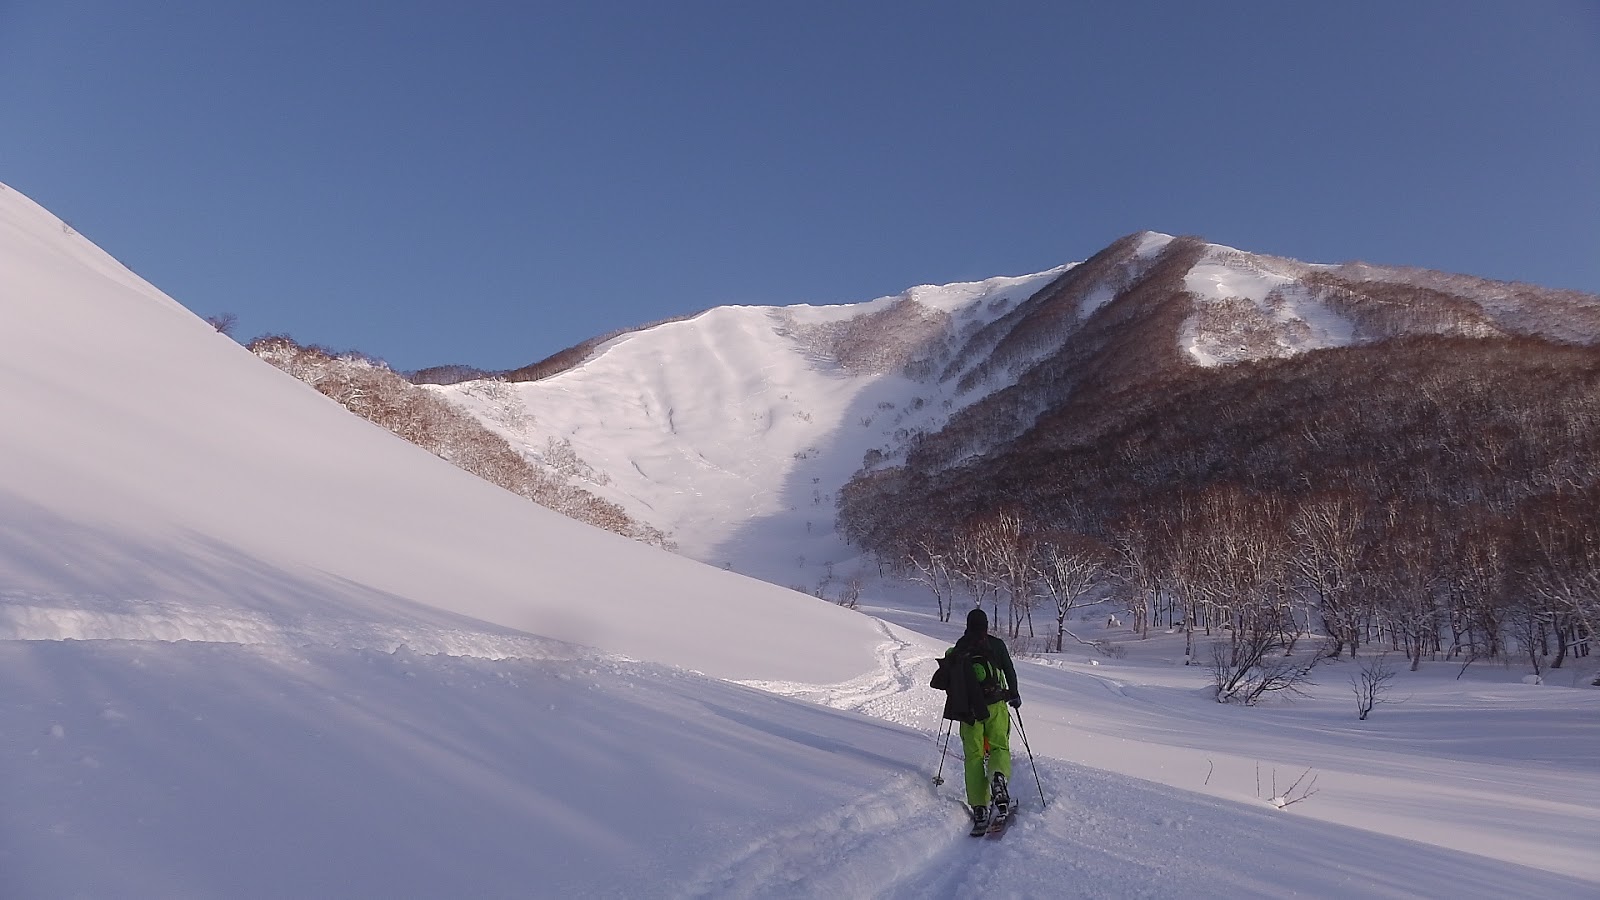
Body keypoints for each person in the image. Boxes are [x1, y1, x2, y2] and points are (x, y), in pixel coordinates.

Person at [935, 607, 1021, 831]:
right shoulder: (996, 645)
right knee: (998, 747)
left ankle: (979, 807)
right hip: (994, 706)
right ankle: (998, 778)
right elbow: (1009, 670)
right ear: (986, 625)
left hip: (969, 712)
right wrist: (1014, 694)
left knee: (973, 757)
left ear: (967, 625)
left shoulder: (960, 646)